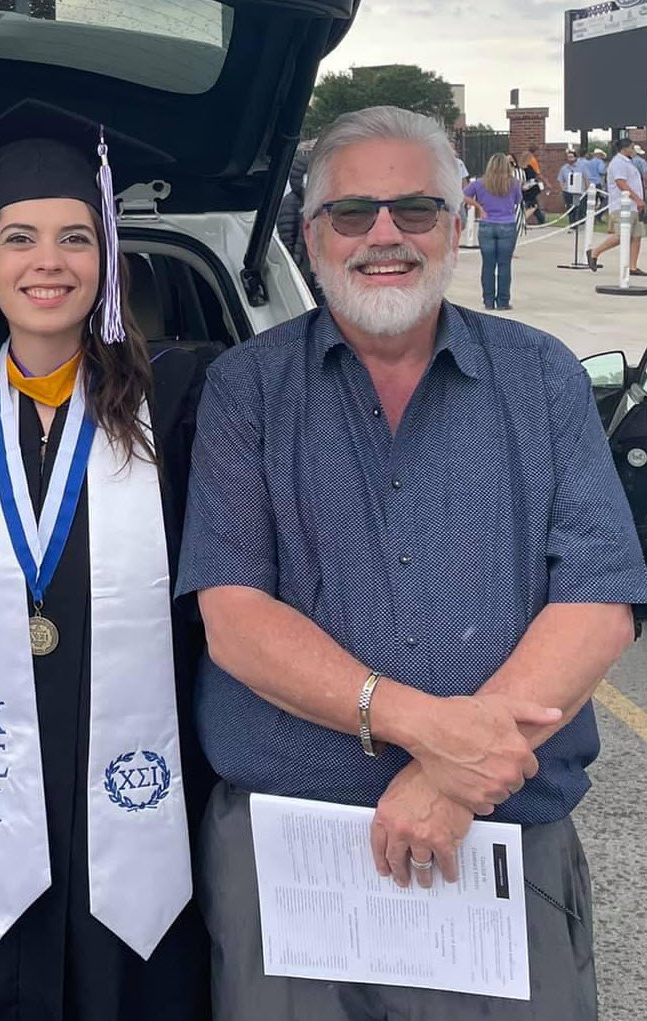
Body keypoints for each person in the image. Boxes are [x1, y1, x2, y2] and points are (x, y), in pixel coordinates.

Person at [179, 105, 647, 1021]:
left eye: (414, 210)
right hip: (291, 855)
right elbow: (234, 614)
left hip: (499, 835)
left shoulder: (542, 374)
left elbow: (599, 596)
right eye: (351, 213)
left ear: (460, 222)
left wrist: (450, 775)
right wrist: (429, 733)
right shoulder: (245, 389)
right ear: (308, 236)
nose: (382, 235)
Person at [0, 122, 211, 1021]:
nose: (48, 261)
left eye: (76, 237)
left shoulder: (181, 402)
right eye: (19, 238)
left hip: (132, 773)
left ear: (108, 260)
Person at [464, 152, 523, 309]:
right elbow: (518, 201)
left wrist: (479, 207)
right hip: (507, 224)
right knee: (504, 264)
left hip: (487, 224)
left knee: (488, 265)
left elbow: (464, 195)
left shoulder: (480, 183)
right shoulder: (514, 183)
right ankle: (503, 301)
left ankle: (488, 301)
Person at [587, 136, 644, 274]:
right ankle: (595, 252)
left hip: (633, 206)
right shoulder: (618, 163)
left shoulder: (628, 162)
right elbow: (621, 183)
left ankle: (633, 266)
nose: (633, 150)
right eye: (631, 147)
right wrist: (637, 199)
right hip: (622, 205)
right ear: (625, 148)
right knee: (621, 235)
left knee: (636, 235)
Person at [276, 152, 323, 302]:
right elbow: (287, 234)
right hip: (302, 259)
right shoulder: (292, 202)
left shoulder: (318, 201)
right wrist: (293, 259)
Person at [558, 149, 587, 225]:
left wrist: (587, 189)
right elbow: (561, 180)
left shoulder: (582, 167)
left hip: (578, 191)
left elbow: (586, 178)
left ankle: (579, 222)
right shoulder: (564, 168)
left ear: (575, 158)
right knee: (570, 209)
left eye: (571, 157)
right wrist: (563, 189)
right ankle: (572, 224)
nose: (570, 159)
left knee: (578, 208)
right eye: (568, 157)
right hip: (567, 191)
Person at [520, 147, 547, 225]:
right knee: (532, 205)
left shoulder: (519, 169)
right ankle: (540, 220)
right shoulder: (529, 168)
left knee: (532, 204)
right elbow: (534, 177)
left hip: (522, 188)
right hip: (530, 189)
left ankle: (541, 219)